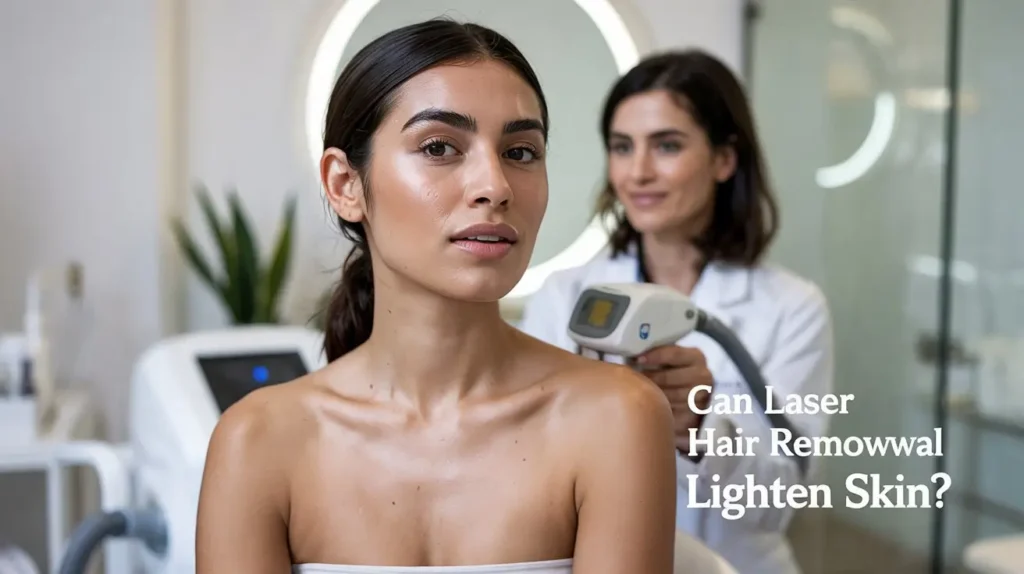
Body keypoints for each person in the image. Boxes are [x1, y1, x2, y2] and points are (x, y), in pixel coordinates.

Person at [194, 19, 679, 574]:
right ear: (345, 184)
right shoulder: (257, 442)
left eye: (521, 152)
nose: (494, 187)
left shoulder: (617, 417)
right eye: (440, 147)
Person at [518, 50, 834, 574]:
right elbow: (526, 462)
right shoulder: (564, 295)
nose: (638, 171)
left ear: (724, 160)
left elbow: (780, 504)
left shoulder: (792, 308)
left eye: (667, 145)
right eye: (622, 147)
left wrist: (698, 425)